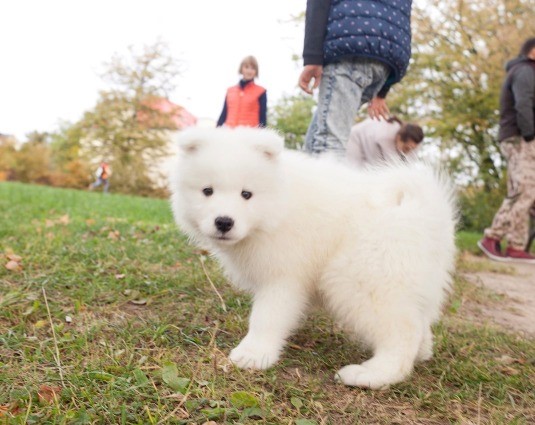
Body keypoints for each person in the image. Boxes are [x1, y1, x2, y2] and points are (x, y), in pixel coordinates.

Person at [298, 0, 413, 157]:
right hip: (388, 58)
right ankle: (306, 178)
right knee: (322, 134)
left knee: (329, 144)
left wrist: (312, 56)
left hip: (350, 48)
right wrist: (383, 90)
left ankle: (319, 180)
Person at [478, 37, 535, 264]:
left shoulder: (525, 71)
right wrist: (530, 135)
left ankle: (515, 246)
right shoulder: (525, 72)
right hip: (521, 138)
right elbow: (524, 104)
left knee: (526, 191)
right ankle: (492, 238)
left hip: (521, 137)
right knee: (524, 191)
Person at [346, 116, 424, 167]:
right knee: (355, 170)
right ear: (398, 138)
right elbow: (376, 166)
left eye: (412, 149)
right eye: (406, 148)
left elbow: (408, 165)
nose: (408, 152)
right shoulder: (383, 137)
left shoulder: (415, 143)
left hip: (373, 136)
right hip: (357, 138)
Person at [217, 56, 267, 128]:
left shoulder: (261, 91)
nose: (249, 71)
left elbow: (262, 118)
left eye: (253, 68)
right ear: (241, 69)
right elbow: (223, 114)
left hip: (250, 134)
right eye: (246, 67)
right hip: (229, 133)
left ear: (256, 71)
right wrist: (217, 129)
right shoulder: (230, 91)